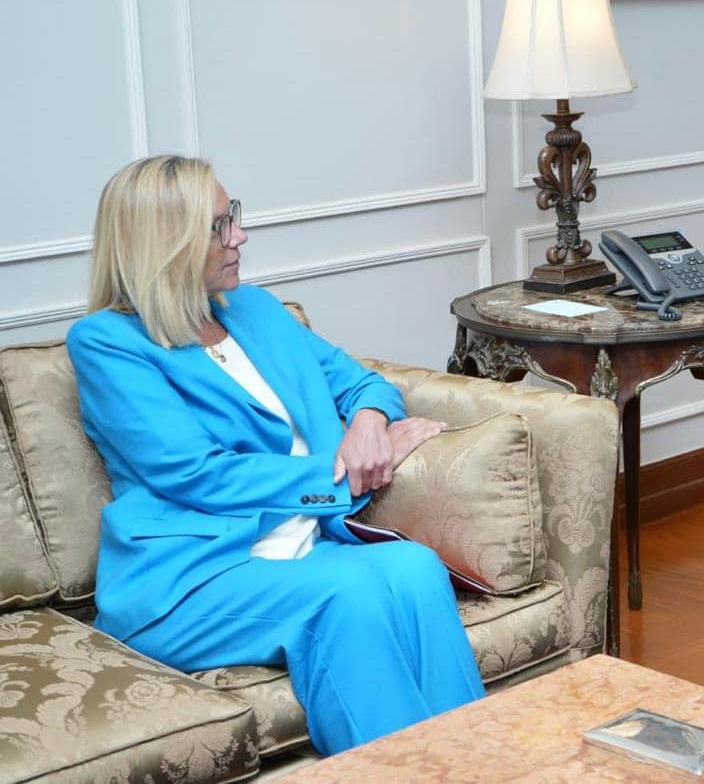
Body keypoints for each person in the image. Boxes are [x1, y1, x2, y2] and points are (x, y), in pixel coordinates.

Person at [67, 155, 484, 756]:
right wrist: (346, 476)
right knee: (346, 596)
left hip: (303, 549)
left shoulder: (256, 310)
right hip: (192, 578)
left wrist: (370, 426)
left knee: (416, 568)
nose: (240, 235)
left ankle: (479, 761)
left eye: (232, 215)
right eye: (219, 226)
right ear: (166, 243)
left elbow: (361, 382)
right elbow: (197, 473)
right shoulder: (107, 343)